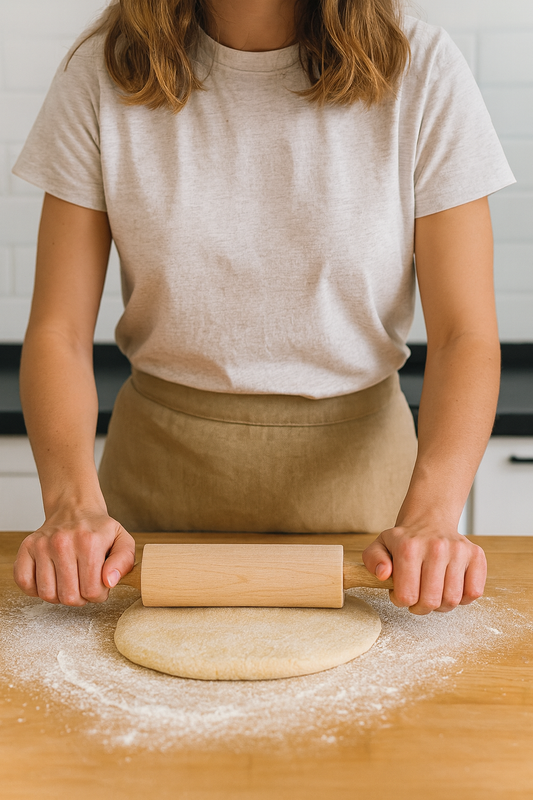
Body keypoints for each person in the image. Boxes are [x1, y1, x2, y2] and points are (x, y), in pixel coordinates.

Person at [12, 0, 515, 616]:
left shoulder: (423, 71)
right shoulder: (103, 71)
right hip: (150, 515)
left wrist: (435, 516)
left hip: (368, 516)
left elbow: (466, 334)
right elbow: (57, 332)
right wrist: (71, 504)